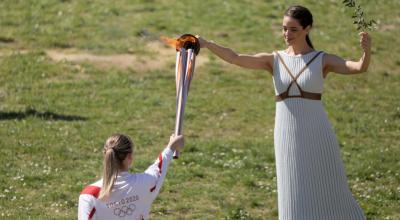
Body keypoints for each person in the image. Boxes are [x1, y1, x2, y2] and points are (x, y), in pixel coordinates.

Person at [198, 5, 370, 220]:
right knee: (293, 190)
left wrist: (366, 51)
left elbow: (358, 67)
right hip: (286, 134)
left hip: (317, 132)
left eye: (293, 30)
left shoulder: (322, 59)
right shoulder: (274, 60)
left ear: (307, 29)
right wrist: (206, 44)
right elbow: (236, 57)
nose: (287, 34)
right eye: (284, 29)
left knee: (329, 184)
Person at [78, 134, 184, 220]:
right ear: (129, 157)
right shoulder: (145, 183)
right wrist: (171, 147)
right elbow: (159, 167)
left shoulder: (89, 195)